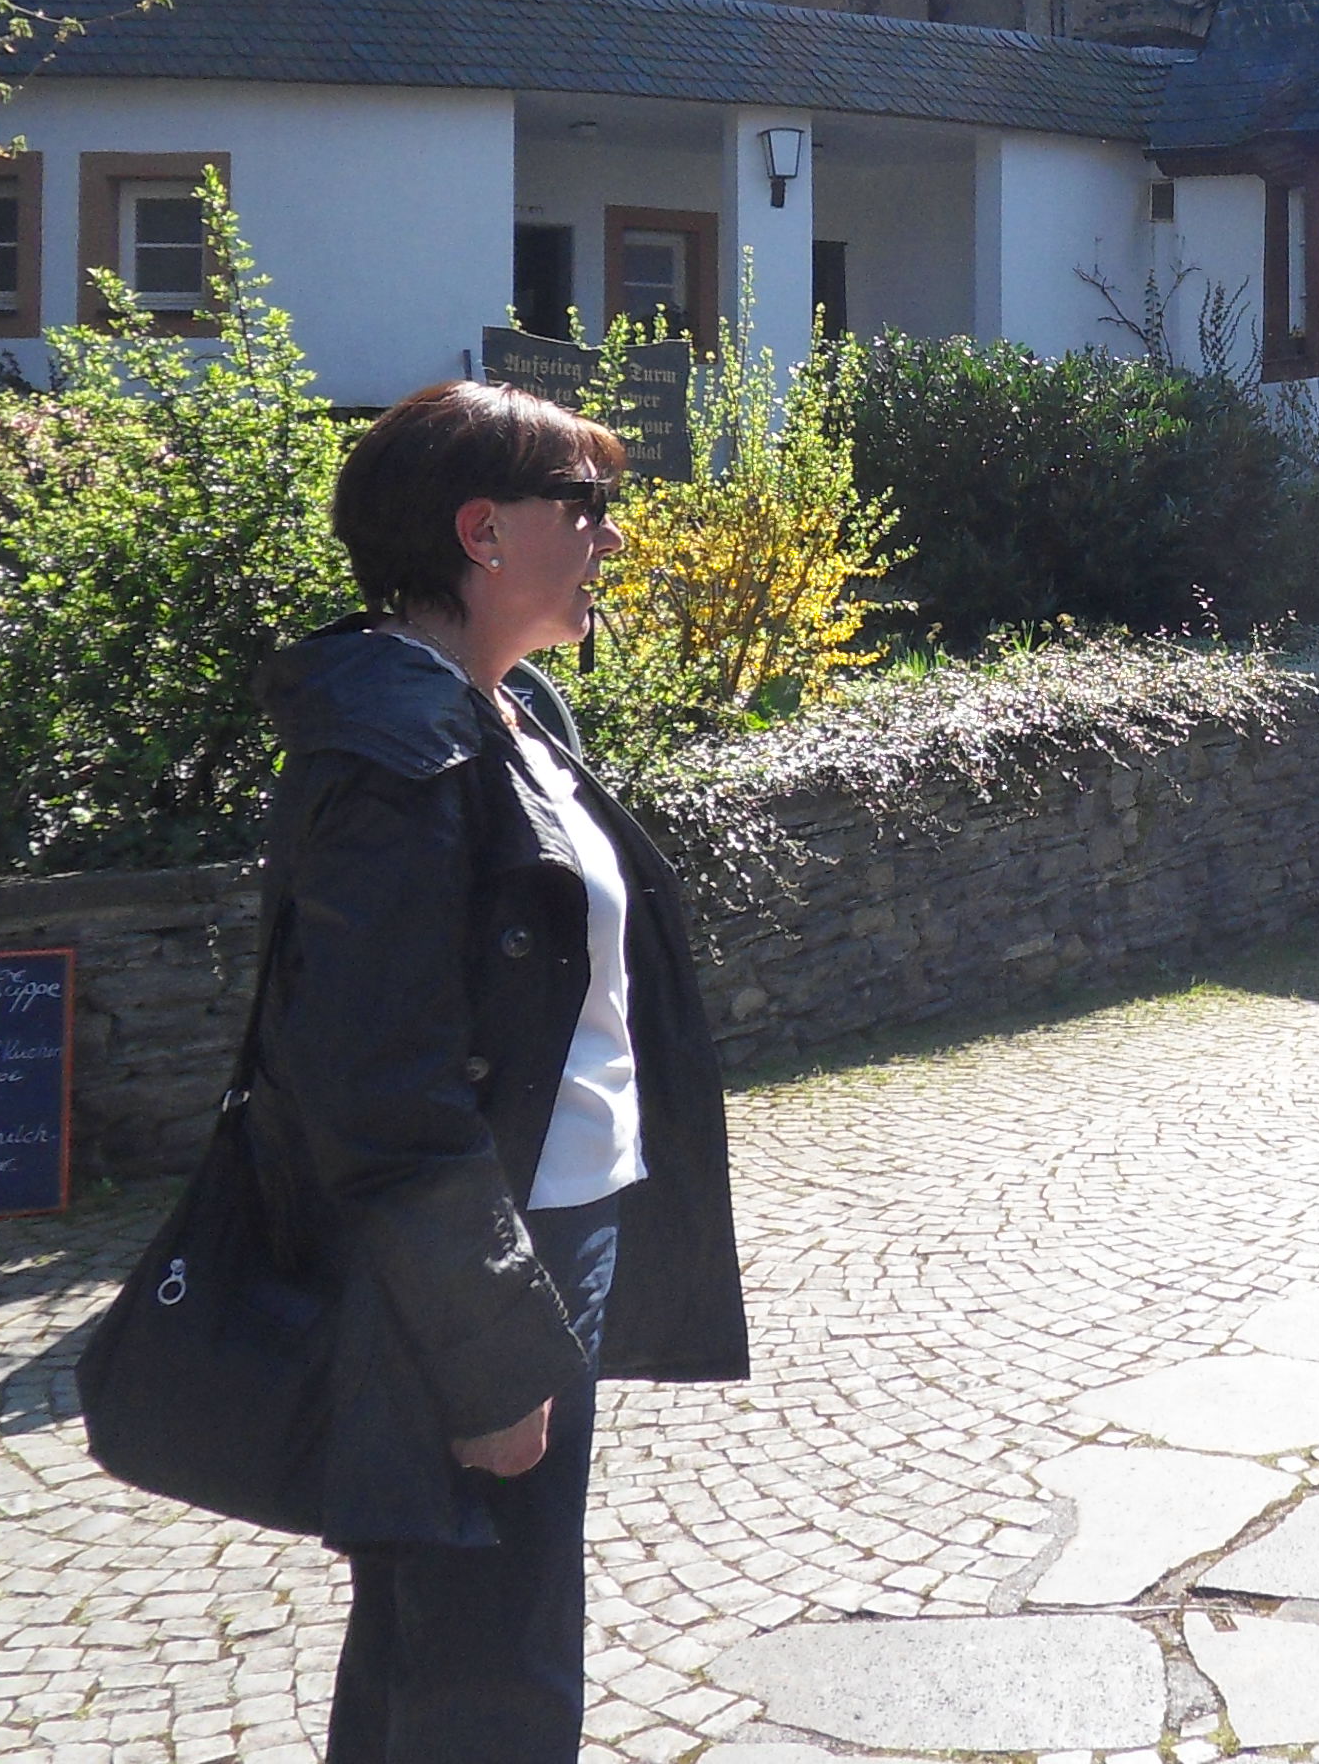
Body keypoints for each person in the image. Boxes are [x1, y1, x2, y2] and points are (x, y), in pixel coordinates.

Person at [247, 380, 747, 1764]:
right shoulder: (397, 756)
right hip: (483, 1255)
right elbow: (377, 1086)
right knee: (490, 1658)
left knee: (446, 1628)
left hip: (556, 1223)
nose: (611, 537)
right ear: (481, 531)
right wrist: (482, 1352)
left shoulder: (511, 710)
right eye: (585, 506)